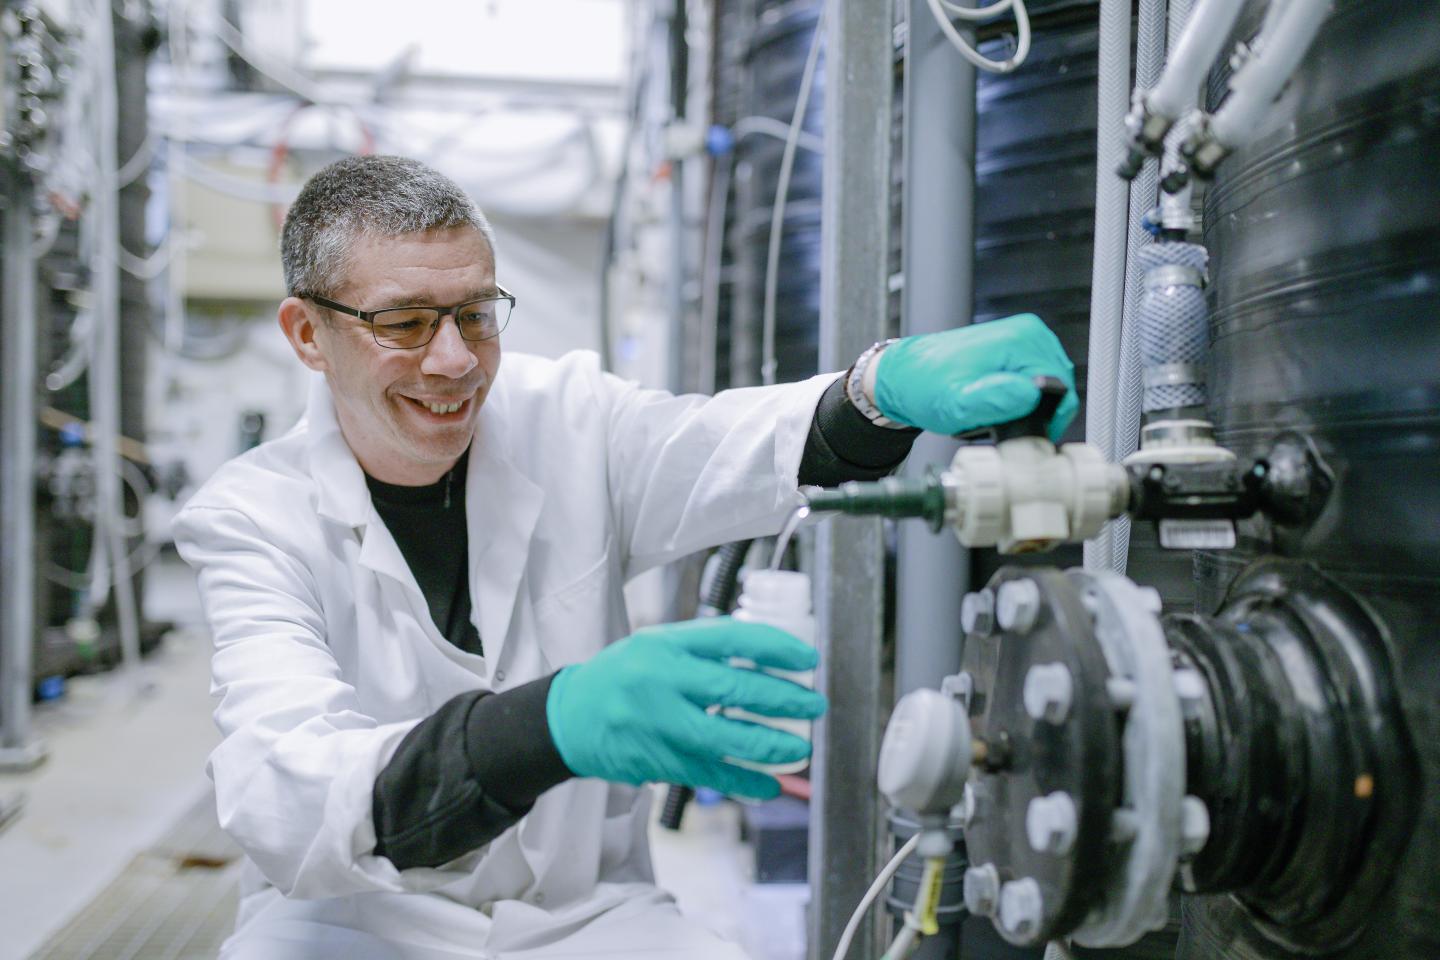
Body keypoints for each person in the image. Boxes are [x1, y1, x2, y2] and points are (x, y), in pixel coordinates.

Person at [174, 155, 1077, 960]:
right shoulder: (253, 519)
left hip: (584, 918)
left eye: (477, 315)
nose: (453, 361)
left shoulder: (568, 419)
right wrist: (551, 725)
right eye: (404, 323)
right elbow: (287, 796)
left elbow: (736, 445)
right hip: (354, 921)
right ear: (306, 334)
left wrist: (877, 392)